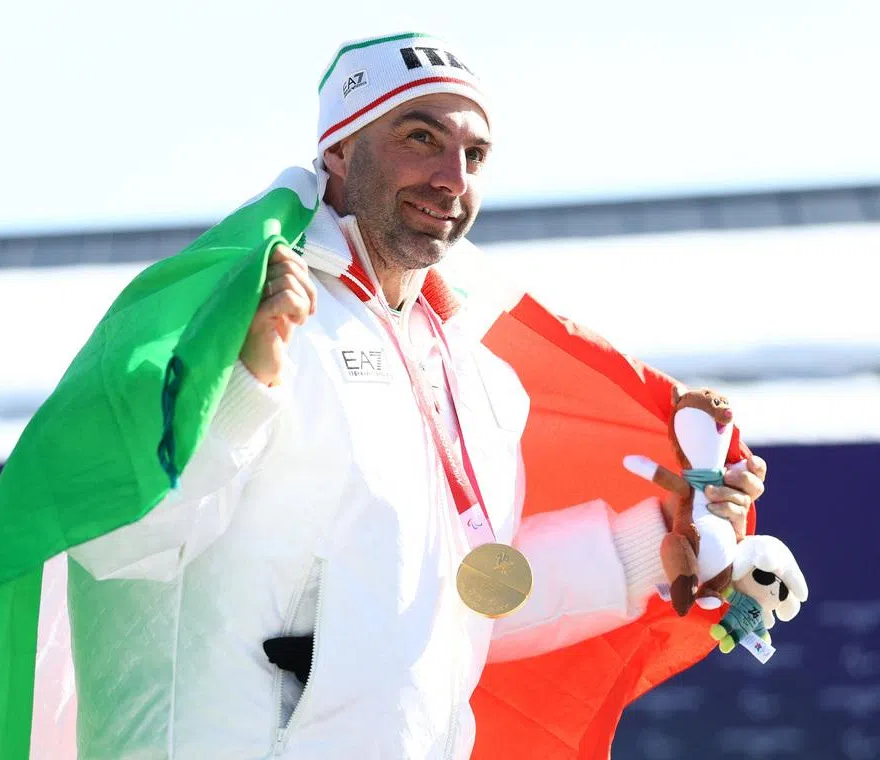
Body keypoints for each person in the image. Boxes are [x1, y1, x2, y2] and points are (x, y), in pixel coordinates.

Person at [63, 32, 768, 759]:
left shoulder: (477, 377)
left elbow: (461, 606)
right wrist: (245, 384)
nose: (450, 177)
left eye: (474, 154)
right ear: (337, 150)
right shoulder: (234, 309)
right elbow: (115, 537)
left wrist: (653, 548)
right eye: (420, 137)